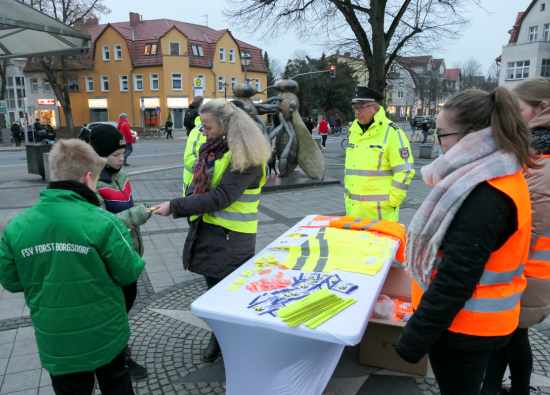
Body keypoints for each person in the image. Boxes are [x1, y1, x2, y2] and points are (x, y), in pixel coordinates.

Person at [396, 87, 538, 395]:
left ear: (473, 136)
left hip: (465, 327)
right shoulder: (501, 173)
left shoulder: (484, 195)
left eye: (443, 132)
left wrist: (414, 338)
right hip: (478, 322)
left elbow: (456, 278)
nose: (438, 141)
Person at [0, 139, 146, 394]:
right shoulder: (103, 221)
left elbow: (11, 281)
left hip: (57, 341)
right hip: (106, 336)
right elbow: (129, 271)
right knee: (116, 386)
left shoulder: (16, 226)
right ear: (88, 177)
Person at [154, 98, 272, 362]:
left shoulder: (247, 156)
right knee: (215, 291)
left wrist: (175, 206)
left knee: (227, 295)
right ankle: (221, 337)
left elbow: (221, 197)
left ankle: (236, 349)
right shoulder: (216, 147)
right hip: (209, 230)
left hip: (232, 237)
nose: (202, 133)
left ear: (226, 125)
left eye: (206, 128)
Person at [480, 78, 550, 395]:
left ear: (542, 109)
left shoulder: (542, 159)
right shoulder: (534, 151)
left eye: (517, 109)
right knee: (507, 333)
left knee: (511, 334)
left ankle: (508, 389)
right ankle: (497, 386)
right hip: (524, 266)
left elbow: (528, 224)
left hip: (528, 268)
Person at [89, 124, 152, 381]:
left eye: (122, 153)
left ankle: (118, 348)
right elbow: (100, 222)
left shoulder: (120, 175)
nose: (121, 159)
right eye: (115, 155)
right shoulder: (93, 184)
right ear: (100, 156)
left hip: (129, 252)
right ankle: (119, 358)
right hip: (111, 259)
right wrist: (135, 216)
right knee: (116, 311)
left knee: (127, 303)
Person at [345, 86, 415, 221]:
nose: (357, 112)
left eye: (361, 107)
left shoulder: (392, 133)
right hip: (354, 210)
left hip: (380, 213)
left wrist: (394, 201)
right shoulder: (354, 132)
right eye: (355, 108)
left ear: (375, 108)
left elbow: (405, 171)